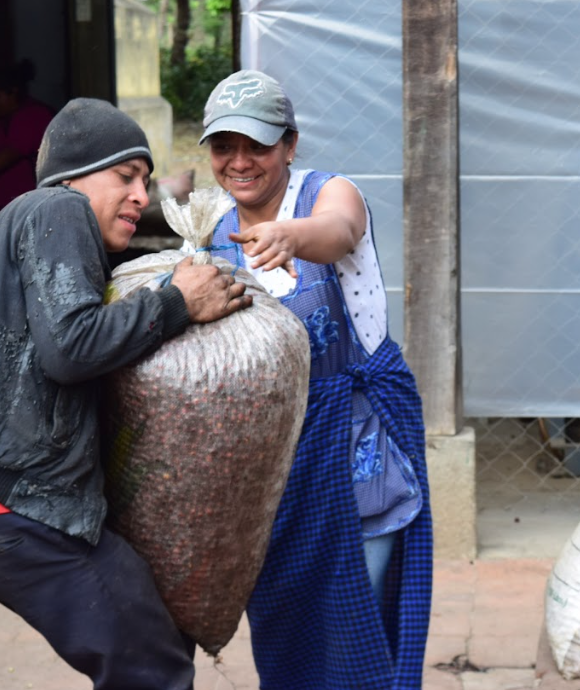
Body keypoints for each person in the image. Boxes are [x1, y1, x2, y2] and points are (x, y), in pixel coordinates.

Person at [188, 70, 433, 689]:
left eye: (259, 145)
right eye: (224, 147)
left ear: (290, 144)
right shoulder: (216, 232)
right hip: (275, 464)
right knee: (290, 622)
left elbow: (340, 232)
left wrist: (289, 236)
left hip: (357, 454)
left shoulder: (330, 194)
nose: (240, 162)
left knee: (357, 626)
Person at [0, 97, 252, 689]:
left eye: (145, 179)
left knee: (151, 642)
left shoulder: (27, 219)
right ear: (72, 177)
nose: (142, 195)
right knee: (152, 666)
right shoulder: (58, 210)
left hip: (28, 504)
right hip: (31, 509)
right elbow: (72, 348)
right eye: (125, 176)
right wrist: (178, 302)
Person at [0, 58, 54, 210]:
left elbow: (7, 157)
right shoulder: (6, 118)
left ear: (12, 92)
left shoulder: (33, 116)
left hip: (29, 207)